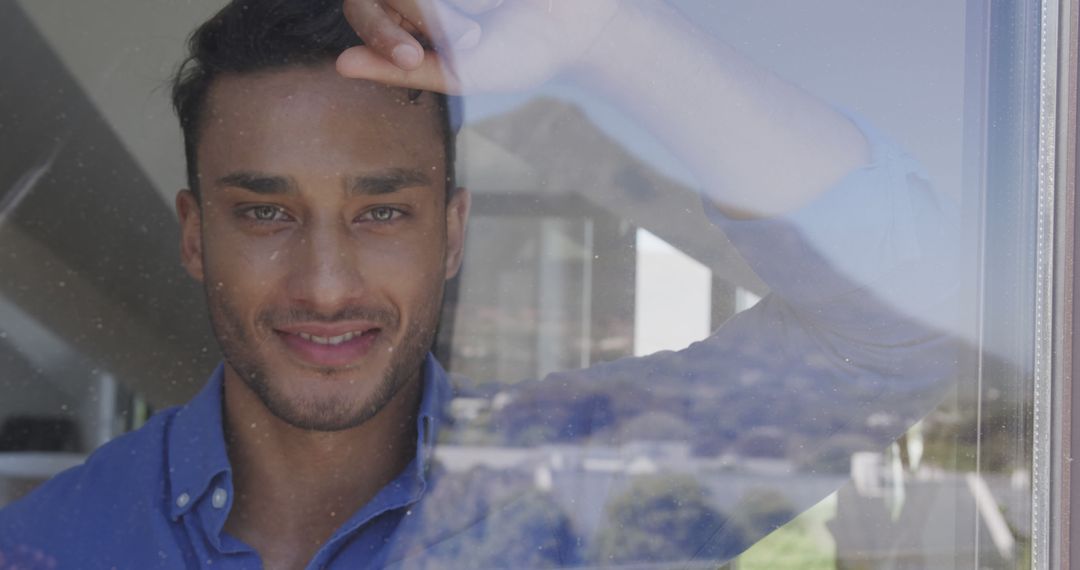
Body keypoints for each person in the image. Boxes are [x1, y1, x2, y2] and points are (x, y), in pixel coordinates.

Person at [0, 0, 961, 568]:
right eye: (265, 212)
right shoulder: (44, 547)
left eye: (382, 210)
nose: (326, 285)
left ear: (451, 231)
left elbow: (890, 342)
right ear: (194, 233)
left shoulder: (580, 493)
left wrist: (599, 33)